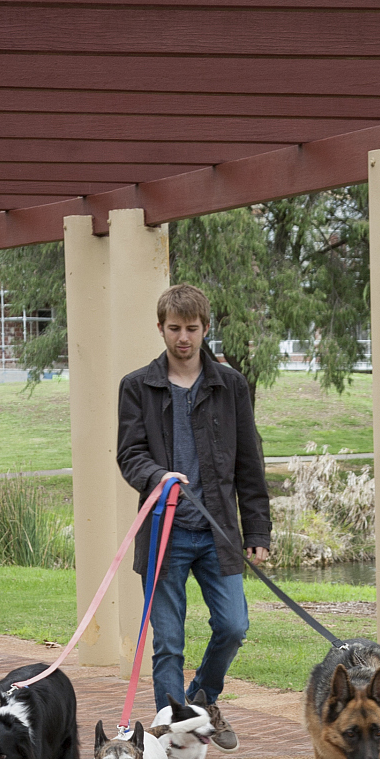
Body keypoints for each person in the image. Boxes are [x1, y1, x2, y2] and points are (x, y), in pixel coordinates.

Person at [116, 284, 271, 713]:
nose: (182, 338)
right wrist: (158, 476)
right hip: (164, 536)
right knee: (168, 644)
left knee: (234, 626)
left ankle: (202, 699)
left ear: (205, 328)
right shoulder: (137, 387)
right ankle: (170, 734)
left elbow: (248, 464)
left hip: (217, 532)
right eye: (174, 328)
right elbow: (129, 455)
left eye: (191, 328)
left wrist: (257, 528)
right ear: (161, 329)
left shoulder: (230, 386)